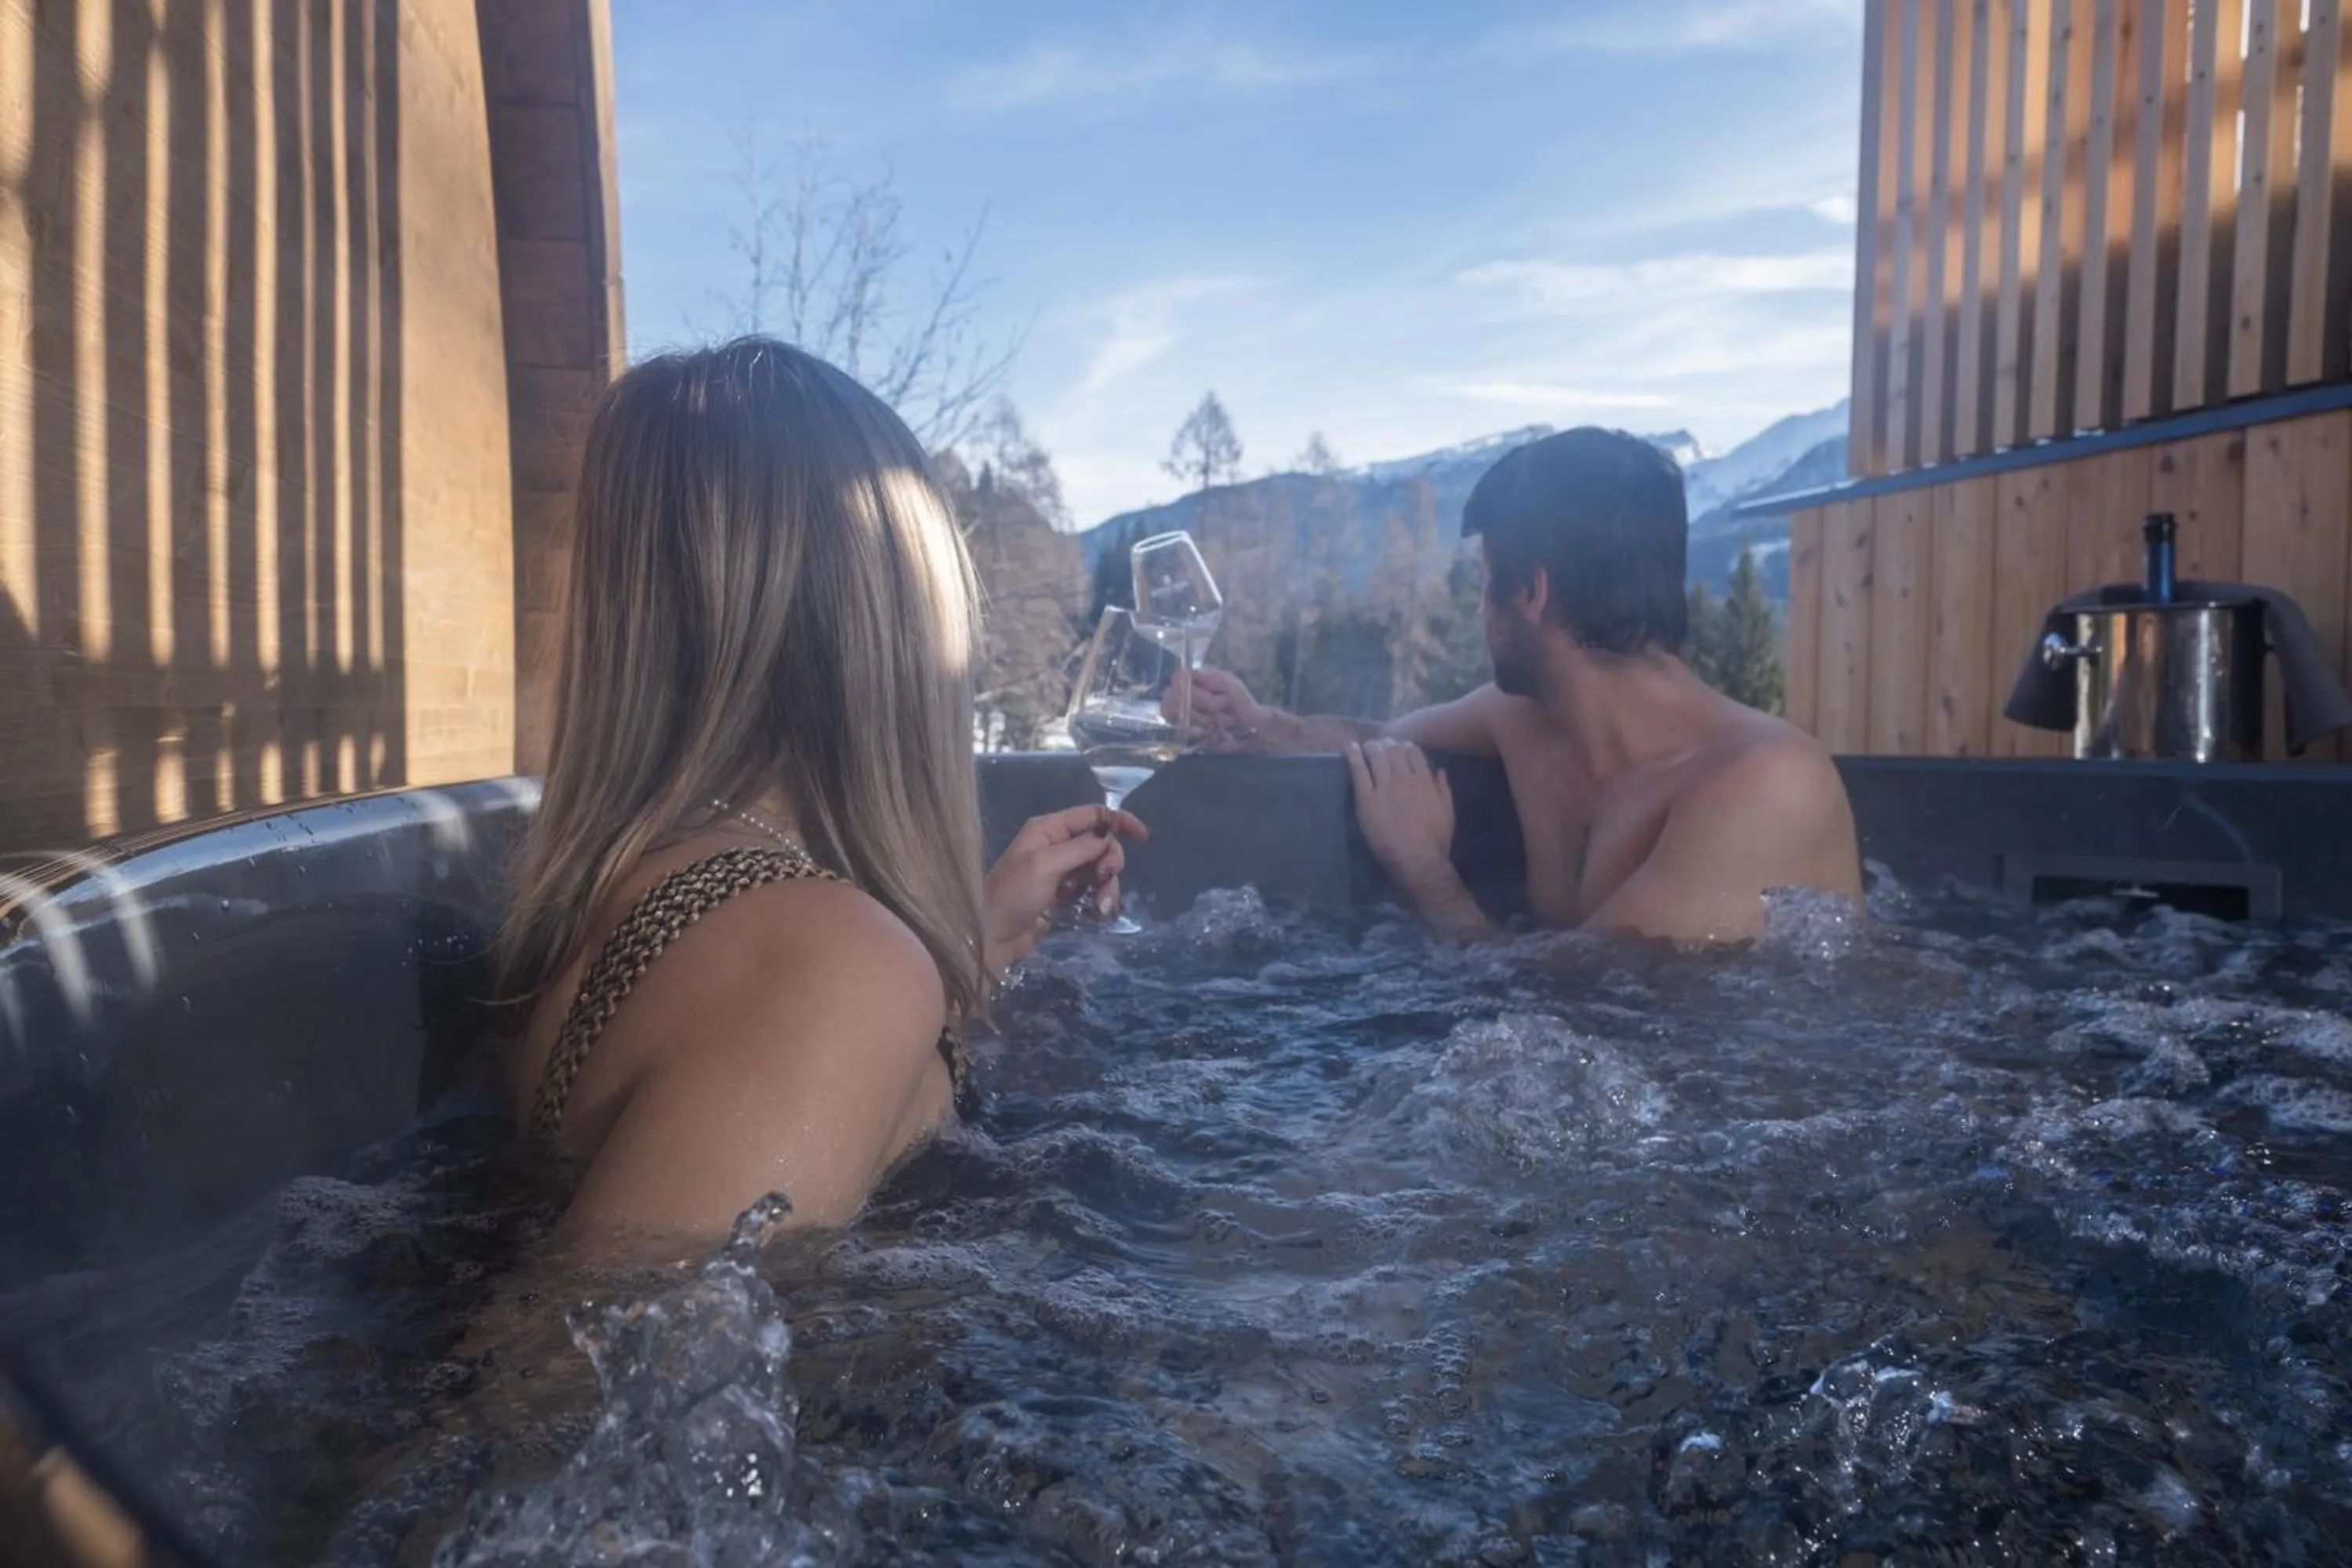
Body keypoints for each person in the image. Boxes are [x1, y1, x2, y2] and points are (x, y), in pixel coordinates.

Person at [493, 338, 1143, 1245]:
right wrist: (880, 970)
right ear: (895, 626)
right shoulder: (825, 962)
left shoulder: (640, 886)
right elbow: (559, 1386)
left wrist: (969, 953)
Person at [1181, 426, 1860, 944]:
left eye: (1484, 586)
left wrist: (1426, 873)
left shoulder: (1765, 783)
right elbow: (1380, 741)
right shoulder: (1525, 717)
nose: (1480, 611)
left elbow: (1590, 1010)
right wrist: (1260, 725)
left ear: (1530, 593)